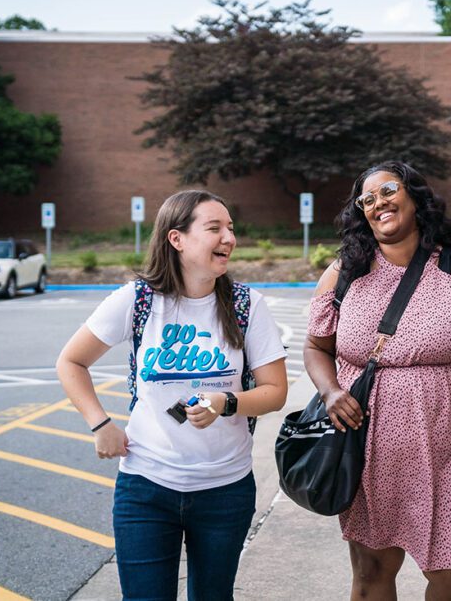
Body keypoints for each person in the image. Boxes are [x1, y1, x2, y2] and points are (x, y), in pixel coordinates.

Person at [304, 161, 451, 600]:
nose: (378, 204)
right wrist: (331, 391)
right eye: (366, 199)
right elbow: (316, 347)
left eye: (387, 191)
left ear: (415, 197)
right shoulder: (344, 274)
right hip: (370, 449)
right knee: (371, 574)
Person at [56, 190, 288, 601]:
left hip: (225, 490)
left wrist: (227, 402)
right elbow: (71, 362)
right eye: (214, 228)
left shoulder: (247, 305)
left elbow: (274, 392)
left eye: (231, 228)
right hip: (146, 488)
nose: (229, 238)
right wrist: (100, 423)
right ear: (176, 239)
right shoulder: (139, 300)